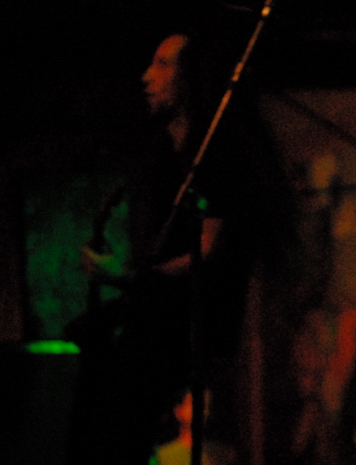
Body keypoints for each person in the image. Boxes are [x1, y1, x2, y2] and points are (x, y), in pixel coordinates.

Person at [69, 30, 286, 464]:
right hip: (157, 318)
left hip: (191, 330)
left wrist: (127, 276)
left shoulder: (216, 154)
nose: (146, 76)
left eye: (163, 64)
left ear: (190, 79)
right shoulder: (160, 154)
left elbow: (209, 253)